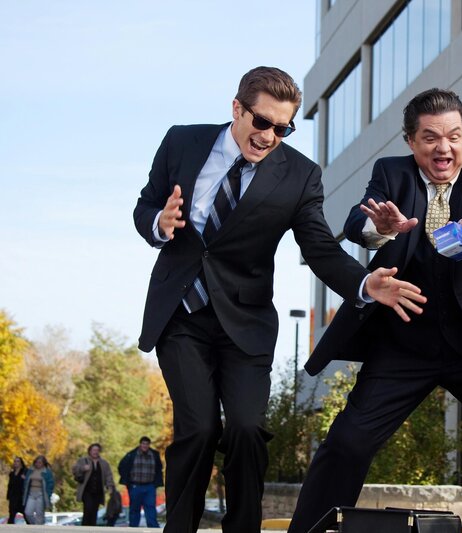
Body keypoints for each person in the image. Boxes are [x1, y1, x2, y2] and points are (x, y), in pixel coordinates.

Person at [133, 66, 425, 533]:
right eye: (262, 122)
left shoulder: (300, 175)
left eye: (283, 128)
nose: (269, 136)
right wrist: (159, 223)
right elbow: (146, 204)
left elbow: (320, 248)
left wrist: (363, 284)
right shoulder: (182, 142)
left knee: (247, 429)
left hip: (245, 323)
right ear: (237, 108)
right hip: (182, 313)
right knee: (199, 429)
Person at [288, 88, 462, 533]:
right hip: (404, 344)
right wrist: (378, 227)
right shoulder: (392, 174)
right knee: (348, 441)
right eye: (430, 138)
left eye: (454, 136)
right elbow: (357, 222)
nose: (444, 148)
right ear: (411, 141)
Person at [118, 436, 163, 527]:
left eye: (147, 444)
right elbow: (121, 466)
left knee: (150, 507)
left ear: (149, 445)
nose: (145, 446)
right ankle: (133, 527)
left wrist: (156, 483)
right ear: (140, 444)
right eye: (143, 444)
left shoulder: (154, 455)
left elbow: (159, 469)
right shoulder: (132, 455)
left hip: (150, 486)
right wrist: (127, 480)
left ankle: (153, 527)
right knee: (135, 508)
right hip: (135, 486)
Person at [72, 443, 116, 526]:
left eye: (97, 450)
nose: (95, 452)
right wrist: (83, 468)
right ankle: (85, 527)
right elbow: (74, 470)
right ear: (90, 451)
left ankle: (92, 527)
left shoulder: (104, 463)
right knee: (88, 508)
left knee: (94, 510)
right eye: (94, 450)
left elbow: (108, 475)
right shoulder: (83, 461)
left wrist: (110, 486)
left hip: (98, 491)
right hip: (86, 490)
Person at [22, 455, 54, 525]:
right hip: (31, 493)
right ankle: (35, 525)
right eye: (36, 462)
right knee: (28, 512)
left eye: (40, 463)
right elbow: (26, 481)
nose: (38, 464)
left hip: (41, 494)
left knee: (39, 513)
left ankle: (39, 527)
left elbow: (50, 484)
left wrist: (48, 494)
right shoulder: (31, 470)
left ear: (43, 463)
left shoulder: (47, 472)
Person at [6, 457, 28, 524]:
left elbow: (28, 482)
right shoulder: (12, 474)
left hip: (21, 496)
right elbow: (10, 485)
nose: (16, 463)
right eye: (15, 461)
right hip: (13, 496)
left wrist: (25, 479)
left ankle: (31, 526)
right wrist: (8, 495)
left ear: (21, 463)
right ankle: (10, 526)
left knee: (25, 513)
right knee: (12, 513)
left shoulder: (25, 472)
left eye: (18, 461)